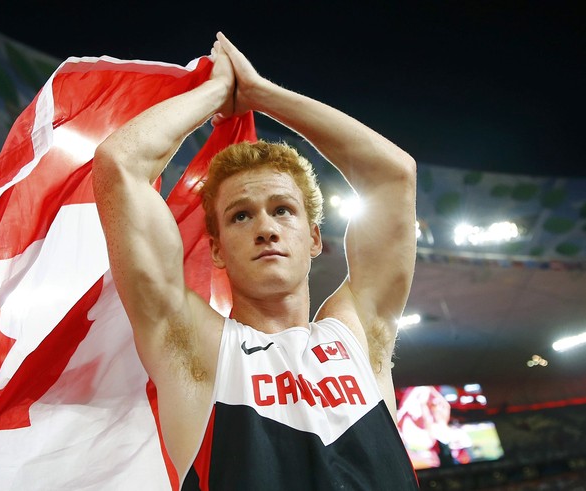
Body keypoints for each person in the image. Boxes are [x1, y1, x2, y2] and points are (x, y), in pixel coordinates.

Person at [93, 32, 418, 489]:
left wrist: (262, 93)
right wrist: (215, 92)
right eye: (241, 215)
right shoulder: (194, 348)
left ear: (314, 238)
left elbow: (394, 175)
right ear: (218, 250)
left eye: (283, 209)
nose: (266, 228)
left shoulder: (359, 334)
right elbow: (118, 163)